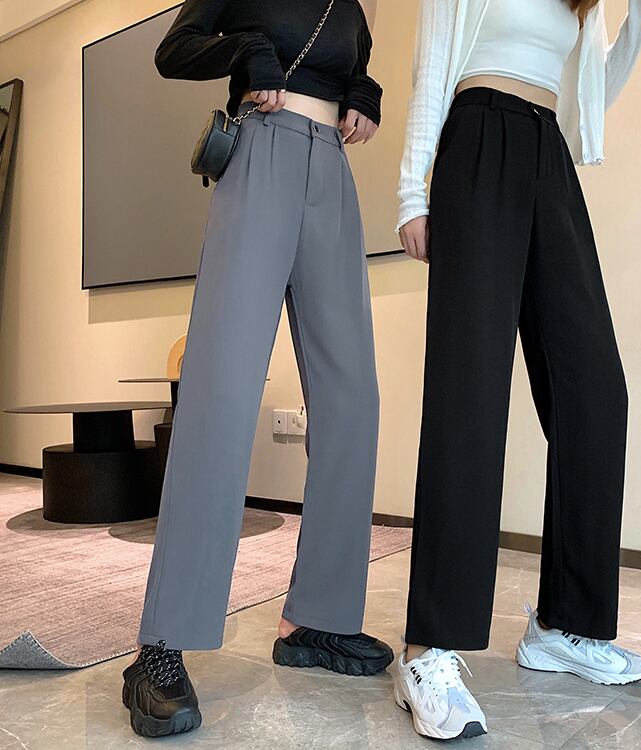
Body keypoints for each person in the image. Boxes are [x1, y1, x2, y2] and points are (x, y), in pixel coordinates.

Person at [122, 0, 391, 738]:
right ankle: (161, 645)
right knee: (221, 392)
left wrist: (363, 92)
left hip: (331, 170)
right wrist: (245, 48)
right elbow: (175, 50)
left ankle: (317, 618)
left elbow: (353, 68)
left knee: (353, 399)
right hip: (260, 153)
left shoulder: (351, 7)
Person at [394, 0, 641, 740]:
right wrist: (413, 190)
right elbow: (433, 64)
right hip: (478, 138)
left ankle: (564, 626)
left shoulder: (581, 3)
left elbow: (589, 98)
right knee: (470, 397)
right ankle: (428, 649)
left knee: (595, 396)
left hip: (549, 156)